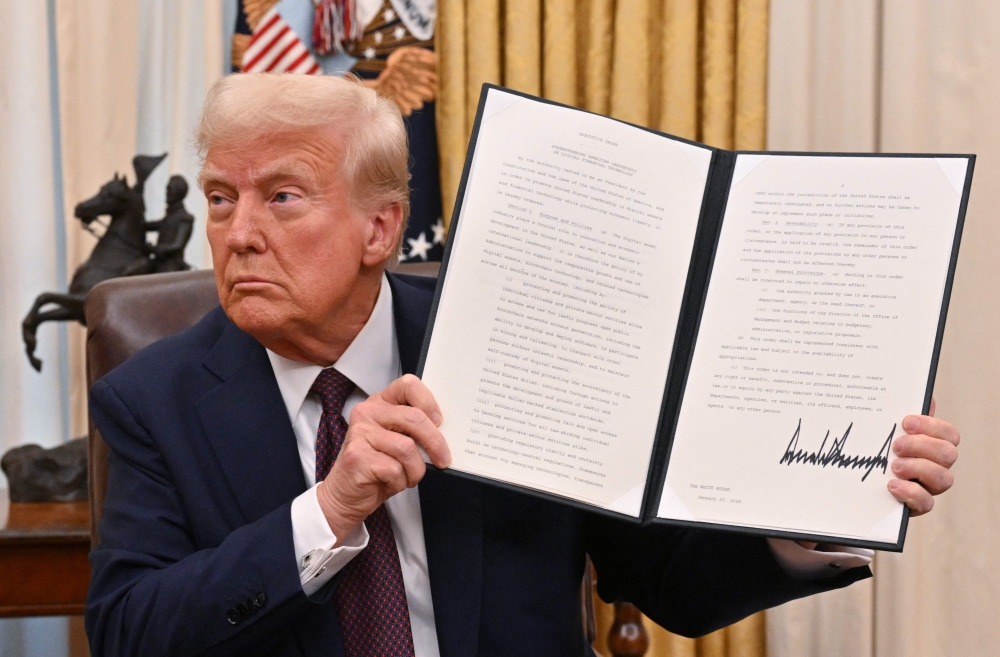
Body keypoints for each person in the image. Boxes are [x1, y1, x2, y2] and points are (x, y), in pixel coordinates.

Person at [85, 74, 960, 657]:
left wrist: (825, 505)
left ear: (381, 229)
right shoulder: (153, 398)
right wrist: (329, 508)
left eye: (281, 196)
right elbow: (129, 630)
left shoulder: (514, 345)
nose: (238, 233)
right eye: (222, 198)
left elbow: (662, 580)